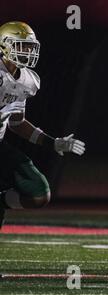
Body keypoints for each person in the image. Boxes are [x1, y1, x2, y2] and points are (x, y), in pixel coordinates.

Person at [0, 22, 85, 227]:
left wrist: (53, 143)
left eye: (30, 47)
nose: (28, 52)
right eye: (22, 46)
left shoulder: (27, 81)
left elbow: (17, 123)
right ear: (4, 45)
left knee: (38, 193)